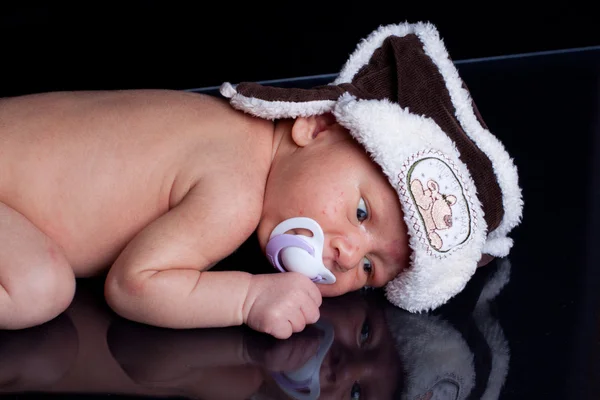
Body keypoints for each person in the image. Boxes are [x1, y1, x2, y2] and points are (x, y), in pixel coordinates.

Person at [0, 22, 523, 338]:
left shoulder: (231, 133)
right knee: (38, 288)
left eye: (370, 268)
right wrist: (249, 299)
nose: (345, 253)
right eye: (361, 213)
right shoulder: (235, 189)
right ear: (317, 125)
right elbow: (135, 284)